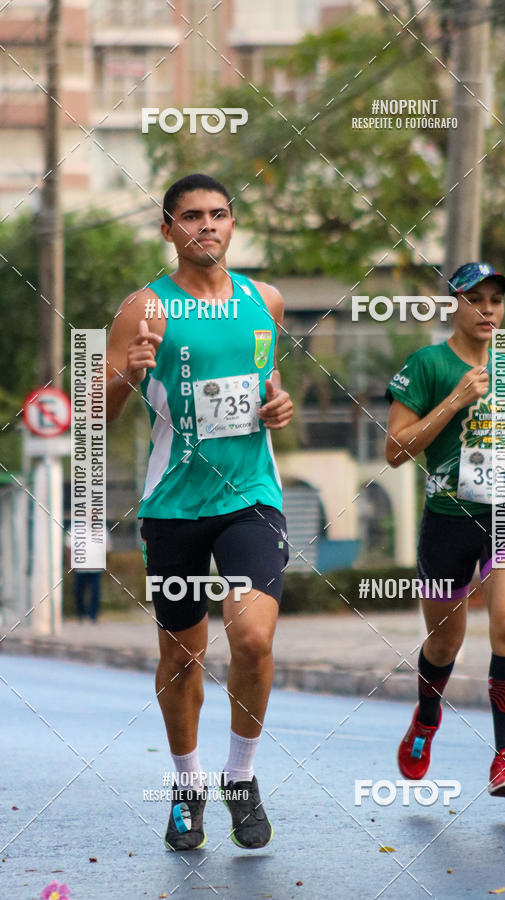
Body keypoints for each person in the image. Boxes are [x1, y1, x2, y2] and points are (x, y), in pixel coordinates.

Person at [105, 173, 292, 850]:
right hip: (174, 507)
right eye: (190, 216)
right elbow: (96, 416)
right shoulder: (144, 309)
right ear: (168, 229)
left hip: (251, 499)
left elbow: (270, 387)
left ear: (233, 223)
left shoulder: (264, 300)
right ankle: (186, 788)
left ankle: (240, 777)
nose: (205, 226)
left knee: (253, 640)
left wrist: (281, 405)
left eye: (217, 214)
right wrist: (127, 371)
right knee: (183, 660)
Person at [385, 262, 505, 797]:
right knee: (443, 641)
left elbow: (500, 436)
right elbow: (394, 451)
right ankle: (427, 716)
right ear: (452, 305)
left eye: (496, 302)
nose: (487, 311)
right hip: (447, 525)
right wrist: (455, 399)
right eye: (475, 300)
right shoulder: (428, 364)